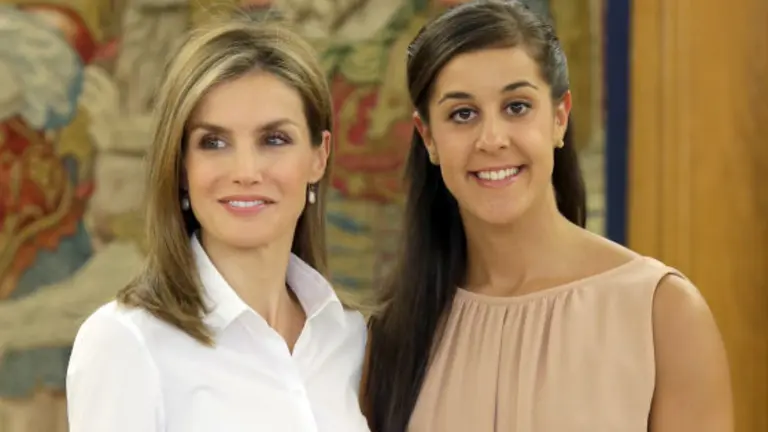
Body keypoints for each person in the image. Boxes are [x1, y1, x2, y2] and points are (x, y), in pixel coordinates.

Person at [362, 1, 733, 431]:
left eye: (517, 107)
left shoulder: (661, 313)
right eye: (462, 114)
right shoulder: (392, 337)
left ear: (559, 117)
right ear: (428, 137)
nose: (492, 139)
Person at [66, 18, 370, 432]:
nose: (245, 171)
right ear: (181, 165)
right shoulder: (125, 343)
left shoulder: (351, 339)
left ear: (319, 156)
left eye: (274, 139)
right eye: (214, 142)